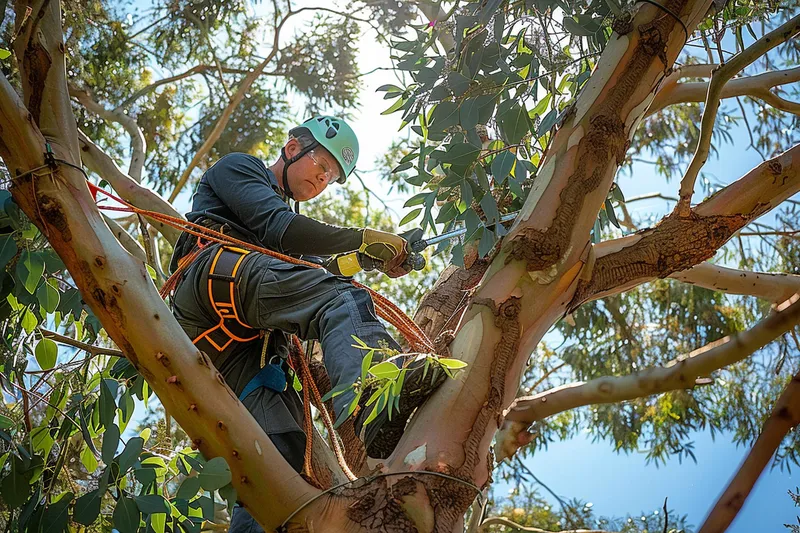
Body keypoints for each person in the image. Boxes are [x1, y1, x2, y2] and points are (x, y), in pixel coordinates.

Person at [168, 116, 444, 532]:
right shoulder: (239, 169)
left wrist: (371, 257)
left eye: (333, 177)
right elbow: (280, 230)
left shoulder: (289, 224)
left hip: (243, 345)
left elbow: (317, 266)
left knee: (282, 464)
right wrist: (363, 237)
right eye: (323, 164)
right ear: (294, 148)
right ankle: (375, 390)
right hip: (214, 278)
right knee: (342, 297)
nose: (325, 178)